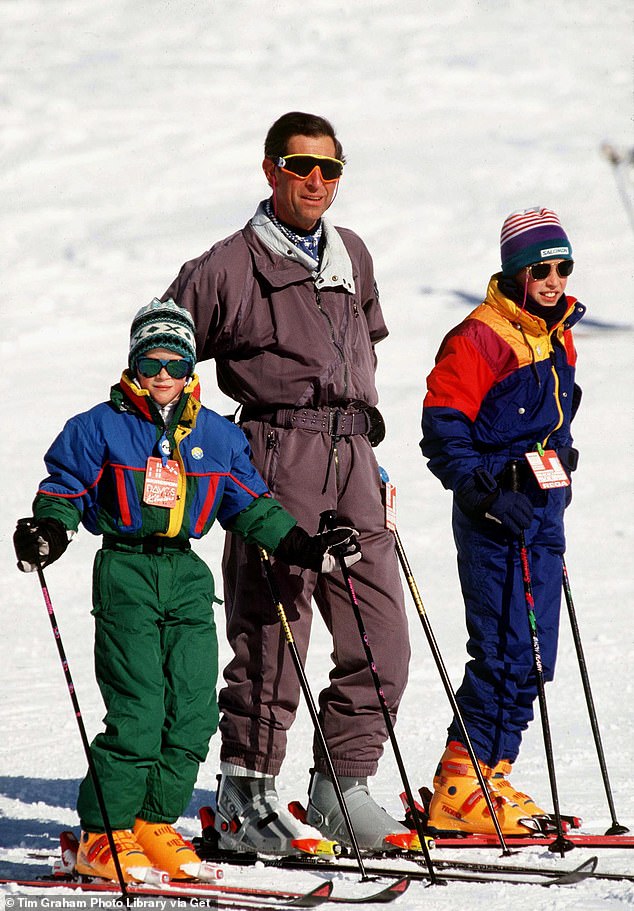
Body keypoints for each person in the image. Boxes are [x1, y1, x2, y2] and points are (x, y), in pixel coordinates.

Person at [13, 298, 362, 882]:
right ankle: (103, 833)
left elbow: (250, 505)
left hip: (185, 575)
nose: (165, 379)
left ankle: (151, 822)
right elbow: (66, 488)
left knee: (195, 711)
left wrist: (304, 546)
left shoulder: (216, 437)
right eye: (152, 366)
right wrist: (48, 529)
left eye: (177, 365)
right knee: (140, 710)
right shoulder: (100, 426)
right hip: (126, 571)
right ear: (133, 367)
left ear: (191, 369)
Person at [162, 111, 411, 855]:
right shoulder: (228, 265)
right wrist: (200, 450)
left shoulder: (353, 256)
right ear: (271, 169)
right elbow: (163, 352)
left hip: (355, 461)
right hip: (275, 454)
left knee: (381, 633)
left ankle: (343, 788)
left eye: (329, 168)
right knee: (274, 632)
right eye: (300, 165)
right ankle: (247, 796)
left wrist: (369, 441)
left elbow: (361, 353)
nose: (316, 181)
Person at [420, 207, 584, 834]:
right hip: (496, 513)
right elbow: (443, 431)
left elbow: (555, 416)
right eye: (540, 268)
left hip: (543, 509)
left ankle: (494, 775)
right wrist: (485, 493)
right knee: (503, 648)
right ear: (516, 271)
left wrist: (560, 456)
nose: (553, 279)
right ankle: (462, 782)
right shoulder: (479, 336)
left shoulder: (557, 332)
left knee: (536, 655)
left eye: (562, 267)